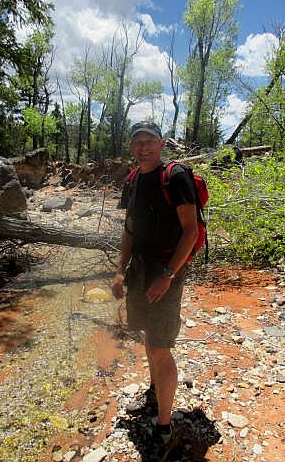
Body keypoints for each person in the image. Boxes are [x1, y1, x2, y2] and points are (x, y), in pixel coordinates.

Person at [111, 121, 198, 456]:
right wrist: (120, 271)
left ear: (161, 144)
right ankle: (154, 390)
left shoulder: (176, 177)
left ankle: (165, 425)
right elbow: (130, 229)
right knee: (148, 333)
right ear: (132, 147)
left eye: (149, 141)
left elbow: (189, 232)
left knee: (160, 346)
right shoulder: (132, 180)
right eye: (137, 142)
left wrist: (168, 275)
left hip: (166, 270)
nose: (143, 147)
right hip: (140, 270)